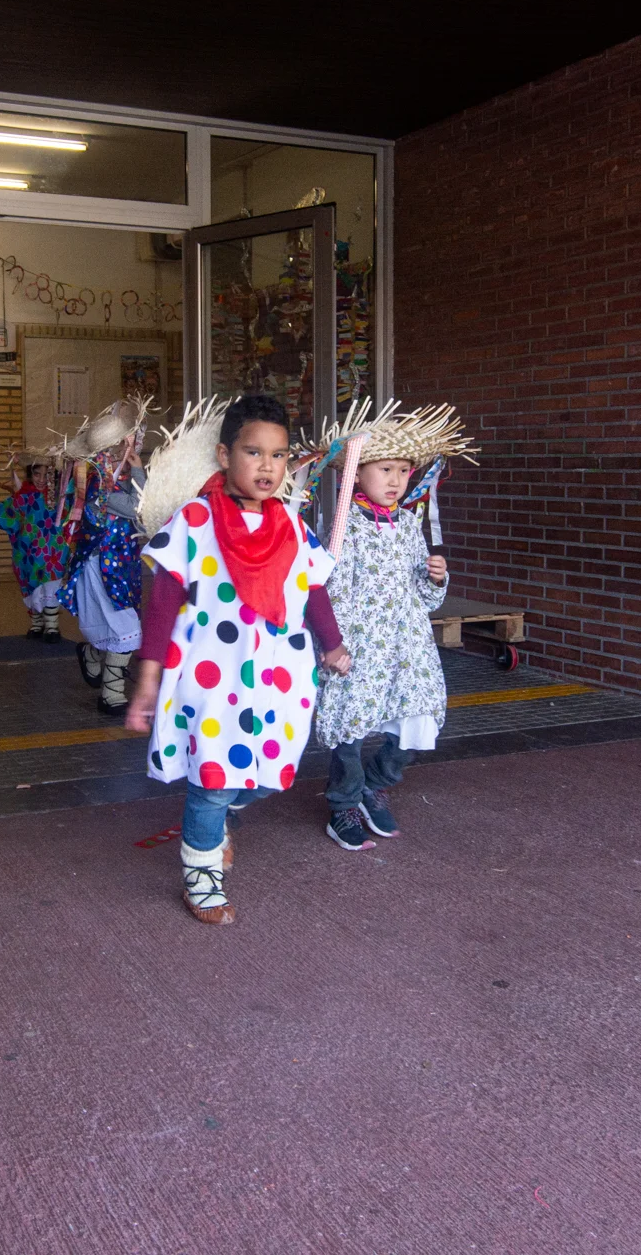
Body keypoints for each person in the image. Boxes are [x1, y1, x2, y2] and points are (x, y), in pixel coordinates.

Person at [125, 394, 351, 924]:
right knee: (213, 779)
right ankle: (201, 874)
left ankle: (221, 819)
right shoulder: (194, 521)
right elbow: (161, 607)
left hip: (279, 676)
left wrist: (333, 643)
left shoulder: (291, 524)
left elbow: (313, 589)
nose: (267, 466)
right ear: (225, 456)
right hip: (211, 677)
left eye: (278, 455)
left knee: (271, 773)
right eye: (254, 452)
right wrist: (147, 680)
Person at [311, 404, 475, 849]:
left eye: (404, 471)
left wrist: (435, 578)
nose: (396, 480)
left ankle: (375, 783)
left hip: (407, 644)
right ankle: (344, 803)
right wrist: (333, 644)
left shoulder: (408, 524)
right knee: (349, 727)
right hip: (358, 644)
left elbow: (423, 597)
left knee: (419, 715)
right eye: (385, 469)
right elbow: (330, 590)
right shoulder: (344, 529)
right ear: (358, 473)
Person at [56, 399, 150, 713]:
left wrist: (135, 473)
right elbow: (139, 508)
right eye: (125, 442)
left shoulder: (118, 476)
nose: (129, 445)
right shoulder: (97, 480)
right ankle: (111, 694)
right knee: (126, 627)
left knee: (117, 625)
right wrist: (139, 471)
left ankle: (93, 655)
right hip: (103, 565)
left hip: (122, 563)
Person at [0, 453, 71, 641]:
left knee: (51, 584)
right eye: (36, 474)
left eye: (47, 475)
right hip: (28, 552)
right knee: (30, 584)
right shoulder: (23, 496)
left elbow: (71, 517)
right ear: (29, 474)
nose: (41, 479)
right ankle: (36, 622)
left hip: (53, 552)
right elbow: (7, 511)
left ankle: (52, 626)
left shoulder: (61, 497)